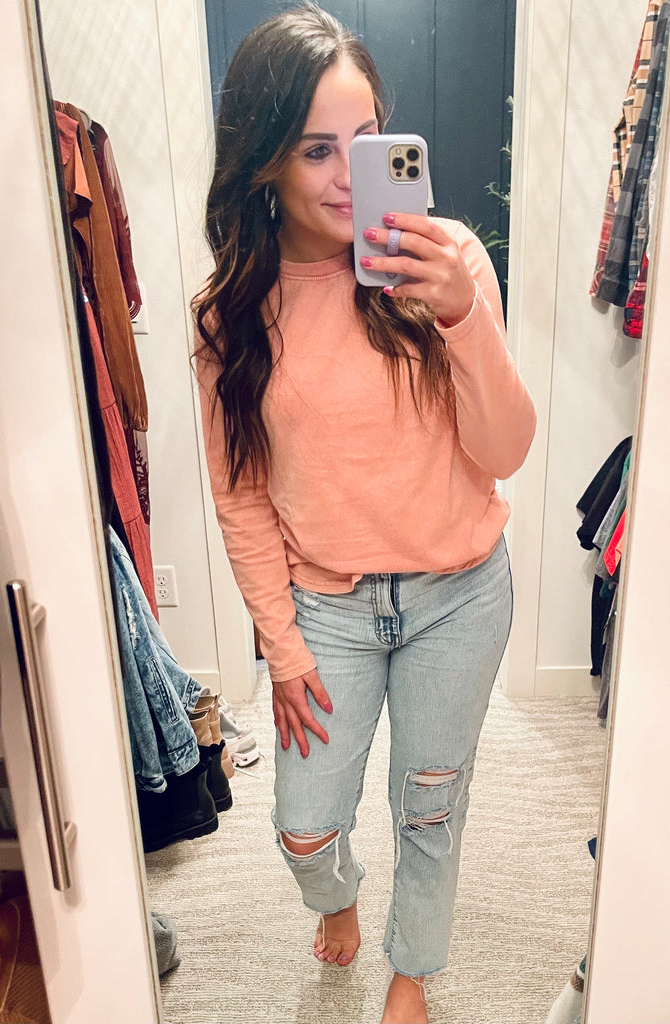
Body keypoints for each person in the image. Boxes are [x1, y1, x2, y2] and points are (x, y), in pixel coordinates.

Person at [193, 5, 536, 1022]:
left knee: (430, 802)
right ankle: (335, 895)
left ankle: (409, 971)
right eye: (315, 150)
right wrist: (281, 646)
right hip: (326, 608)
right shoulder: (232, 315)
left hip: (458, 595)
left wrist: (461, 314)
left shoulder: (447, 261)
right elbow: (239, 494)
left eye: (368, 139)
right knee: (303, 825)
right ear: (262, 162)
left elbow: (506, 452)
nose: (350, 174)